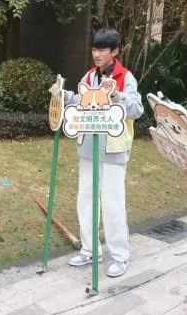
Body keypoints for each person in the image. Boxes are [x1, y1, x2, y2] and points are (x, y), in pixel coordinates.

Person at [49, 28, 144, 278]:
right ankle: (90, 250)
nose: (96, 54)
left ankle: (120, 255)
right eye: (94, 49)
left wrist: (116, 95)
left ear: (115, 51)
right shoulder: (90, 76)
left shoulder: (125, 77)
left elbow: (136, 109)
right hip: (88, 147)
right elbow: (80, 101)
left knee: (113, 204)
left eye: (102, 49)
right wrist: (62, 95)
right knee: (86, 199)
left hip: (113, 149)